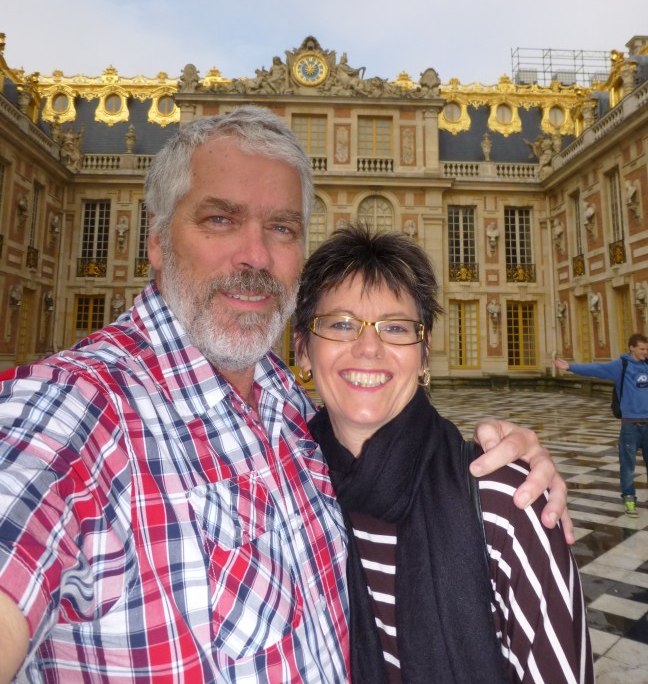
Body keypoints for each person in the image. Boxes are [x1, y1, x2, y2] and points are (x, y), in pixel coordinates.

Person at [0, 105, 569, 683]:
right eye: (220, 219)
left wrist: (512, 466)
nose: (255, 255)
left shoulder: (293, 412)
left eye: (282, 228)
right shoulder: (74, 411)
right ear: (157, 239)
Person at [295, 224, 593, 684]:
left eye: (396, 327)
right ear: (303, 350)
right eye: (341, 324)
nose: (369, 348)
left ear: (424, 354)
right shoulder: (284, 489)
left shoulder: (508, 503)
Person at [555, 333, 648, 518]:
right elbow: (596, 368)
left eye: (647, 349)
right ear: (631, 347)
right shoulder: (621, 365)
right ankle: (629, 499)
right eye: (642, 349)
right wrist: (570, 367)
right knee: (628, 466)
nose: (645, 352)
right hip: (630, 425)